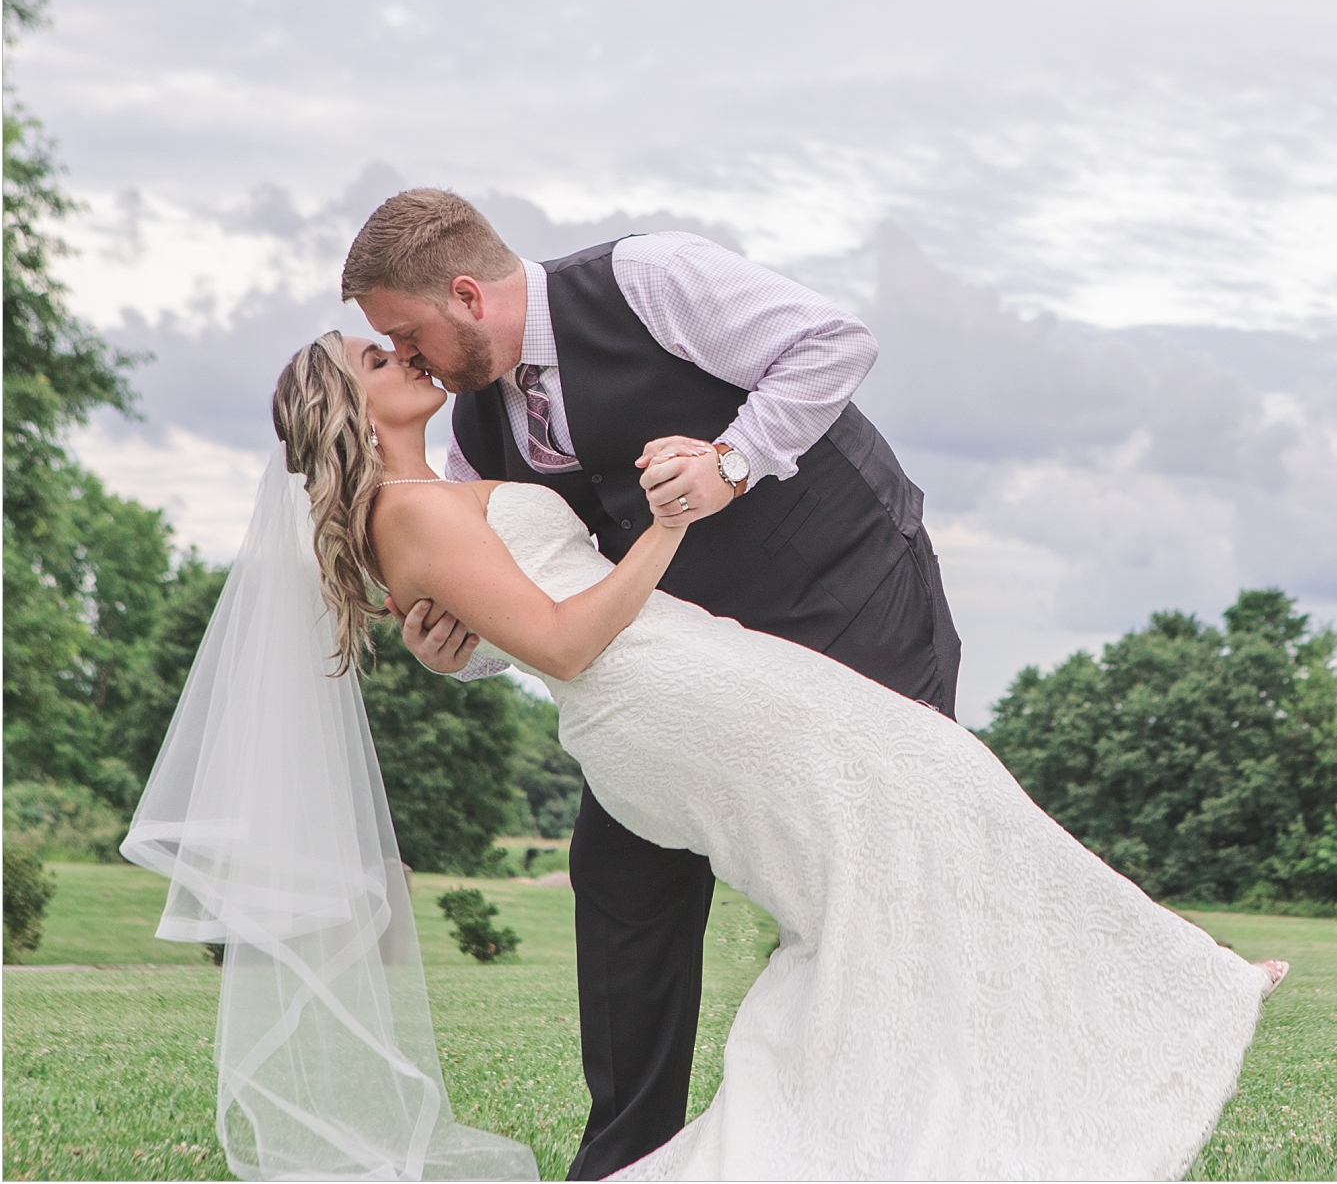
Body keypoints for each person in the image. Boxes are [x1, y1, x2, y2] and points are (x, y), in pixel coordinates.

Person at [262, 329, 1284, 1178]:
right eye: (376, 356)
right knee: (906, 822)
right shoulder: (406, 515)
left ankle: (1146, 994)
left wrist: (462, 649)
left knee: (926, 797)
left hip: (685, 669)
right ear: (348, 404)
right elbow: (565, 640)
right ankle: (1149, 1006)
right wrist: (666, 526)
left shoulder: (436, 489)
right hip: (656, 694)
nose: (402, 351)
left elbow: (510, 617)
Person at [338, 190, 961, 1178]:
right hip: (682, 674)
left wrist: (732, 462)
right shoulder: (469, 439)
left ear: (464, 294)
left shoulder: (650, 278)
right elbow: (539, 589)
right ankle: (626, 1161)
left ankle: (881, 1139)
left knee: (882, 874)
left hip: (848, 601)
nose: (407, 360)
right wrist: (464, 649)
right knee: (621, 876)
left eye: (407, 336)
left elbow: (833, 343)